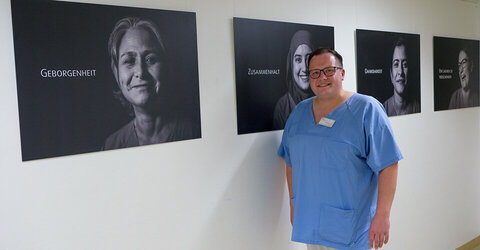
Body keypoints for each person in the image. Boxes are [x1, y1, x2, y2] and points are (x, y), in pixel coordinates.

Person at [278, 48, 402, 250]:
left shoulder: (367, 110)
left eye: (329, 70)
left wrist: (382, 215)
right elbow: (290, 161)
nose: (322, 77)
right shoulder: (299, 113)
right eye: (315, 73)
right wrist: (294, 204)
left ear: (342, 73)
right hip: (312, 223)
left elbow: (388, 164)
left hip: (351, 226)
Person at [103, 17, 199, 150]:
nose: (141, 72)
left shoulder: (194, 131)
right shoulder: (111, 145)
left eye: (151, 59)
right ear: (116, 72)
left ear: (167, 67)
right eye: (129, 61)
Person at [273, 30, 315, 130]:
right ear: (291, 64)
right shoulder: (283, 107)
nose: (304, 68)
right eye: (298, 60)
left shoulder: (325, 101)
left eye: (308, 59)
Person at [383, 38, 420, 116]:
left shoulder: (417, 107)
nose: (400, 72)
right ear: (391, 74)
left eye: (405, 64)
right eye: (396, 64)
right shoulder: (383, 109)